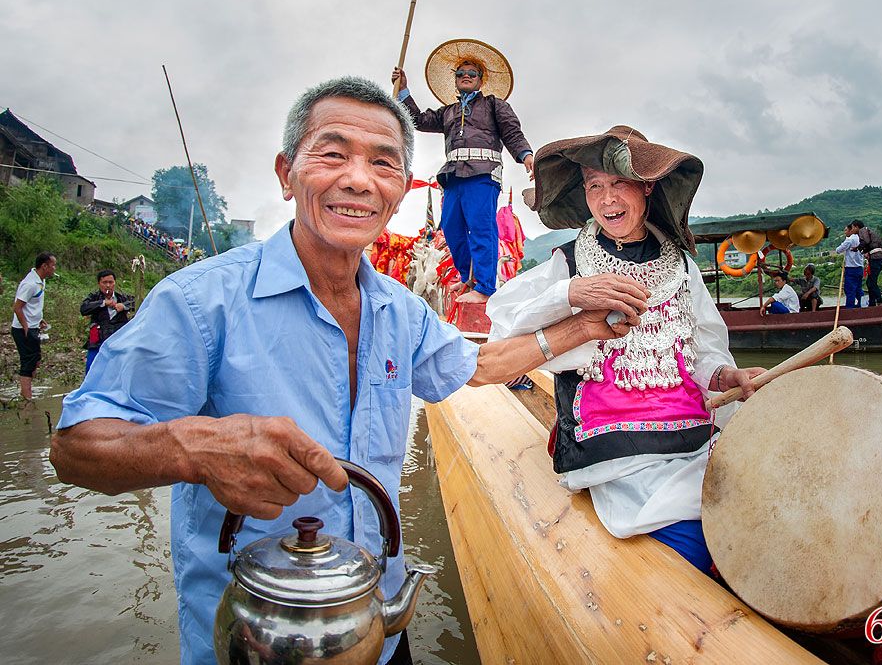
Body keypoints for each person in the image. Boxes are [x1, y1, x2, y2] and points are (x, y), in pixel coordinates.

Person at [50, 76, 631, 665]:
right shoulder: (200, 302)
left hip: (376, 627)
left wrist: (582, 328)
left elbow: (478, 365)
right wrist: (191, 449)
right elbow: (75, 447)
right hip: (256, 640)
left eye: (383, 163)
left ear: (399, 192)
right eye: (333, 155)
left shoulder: (402, 311)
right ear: (286, 174)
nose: (358, 179)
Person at [487, 126, 764, 574]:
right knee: (694, 537)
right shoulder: (569, 262)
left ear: (646, 187)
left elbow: (702, 349)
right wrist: (571, 294)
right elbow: (503, 328)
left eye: (619, 183)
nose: (607, 199)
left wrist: (724, 376)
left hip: (695, 433)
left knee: (755, 499)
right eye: (594, 185)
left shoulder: (681, 266)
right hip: (614, 445)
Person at [392, 41, 534, 305]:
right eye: (461, 73)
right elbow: (418, 120)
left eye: (472, 73)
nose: (466, 76)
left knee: (481, 228)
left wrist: (526, 155)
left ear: (480, 80)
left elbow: (512, 132)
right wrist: (403, 90)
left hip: (483, 175)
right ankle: (468, 277)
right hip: (453, 176)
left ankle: (486, 287)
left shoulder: (494, 105)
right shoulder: (448, 112)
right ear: (456, 80)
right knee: (451, 229)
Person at [11, 252, 56, 400]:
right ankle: (27, 398)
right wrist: (26, 326)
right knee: (28, 361)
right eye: (53, 265)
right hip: (23, 329)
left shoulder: (40, 281)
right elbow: (17, 307)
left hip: (33, 326)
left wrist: (39, 319)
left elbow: (31, 305)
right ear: (44, 266)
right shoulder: (29, 284)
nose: (54, 268)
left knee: (35, 358)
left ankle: (26, 391)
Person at [79, 269, 133, 374]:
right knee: (92, 369)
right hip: (98, 339)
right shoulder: (94, 297)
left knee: (119, 370)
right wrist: (103, 303)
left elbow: (138, 302)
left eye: (110, 282)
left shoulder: (122, 297)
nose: (108, 285)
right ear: (99, 284)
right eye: (104, 282)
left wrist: (124, 306)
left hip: (119, 339)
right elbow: (84, 309)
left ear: (114, 283)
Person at [852, 219, 882, 306]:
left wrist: (857, 248)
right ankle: (872, 302)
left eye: (853, 228)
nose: (852, 230)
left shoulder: (862, 230)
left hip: (876, 258)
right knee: (870, 282)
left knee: (871, 282)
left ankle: (879, 300)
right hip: (877, 258)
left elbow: (866, 241)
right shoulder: (868, 231)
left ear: (857, 227)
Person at [835, 223, 864, 308]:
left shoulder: (850, 240)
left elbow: (838, 250)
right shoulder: (860, 238)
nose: (845, 232)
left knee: (850, 289)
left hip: (851, 269)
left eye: (846, 230)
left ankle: (850, 308)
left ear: (851, 230)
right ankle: (863, 305)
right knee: (858, 289)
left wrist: (845, 240)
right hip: (860, 268)